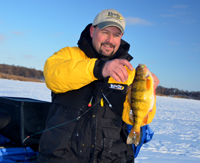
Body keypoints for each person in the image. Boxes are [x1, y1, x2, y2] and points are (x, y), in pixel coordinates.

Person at [37, 9, 159, 163]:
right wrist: (100, 68)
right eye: (105, 32)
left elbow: (137, 117)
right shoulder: (69, 55)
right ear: (92, 30)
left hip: (111, 158)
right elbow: (53, 75)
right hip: (61, 157)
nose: (110, 39)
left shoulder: (127, 71)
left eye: (116, 35)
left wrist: (150, 91)